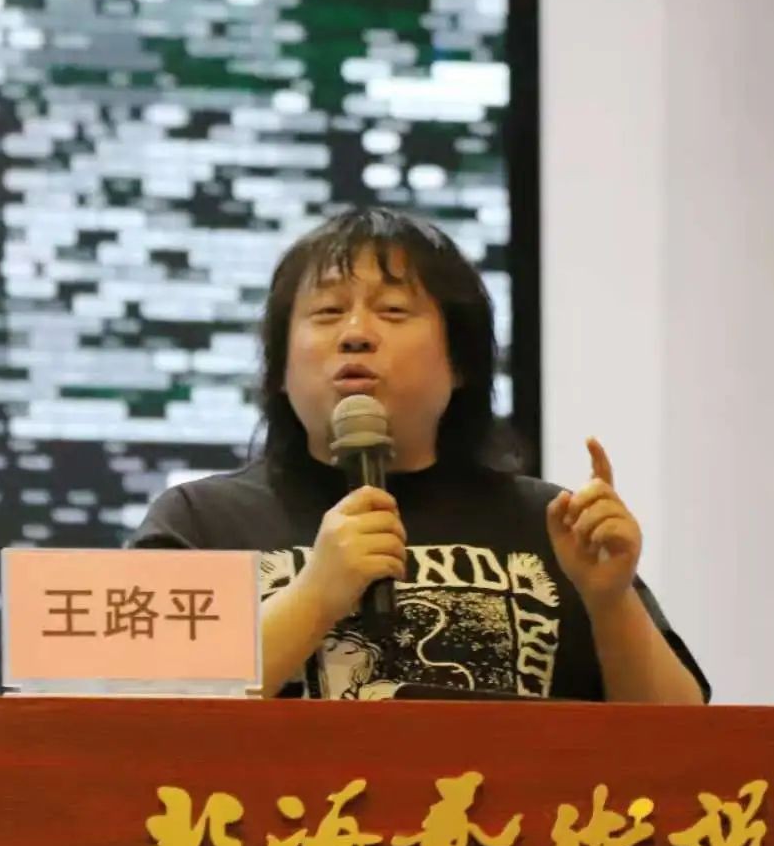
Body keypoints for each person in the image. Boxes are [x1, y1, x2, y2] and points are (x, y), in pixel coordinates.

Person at [130, 207, 709, 705]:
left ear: (461, 363)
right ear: (280, 368)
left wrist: (609, 602)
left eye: (392, 311)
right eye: (327, 312)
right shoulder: (201, 523)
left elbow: (683, 746)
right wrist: (315, 594)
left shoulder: (551, 527)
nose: (355, 333)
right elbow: (132, 717)